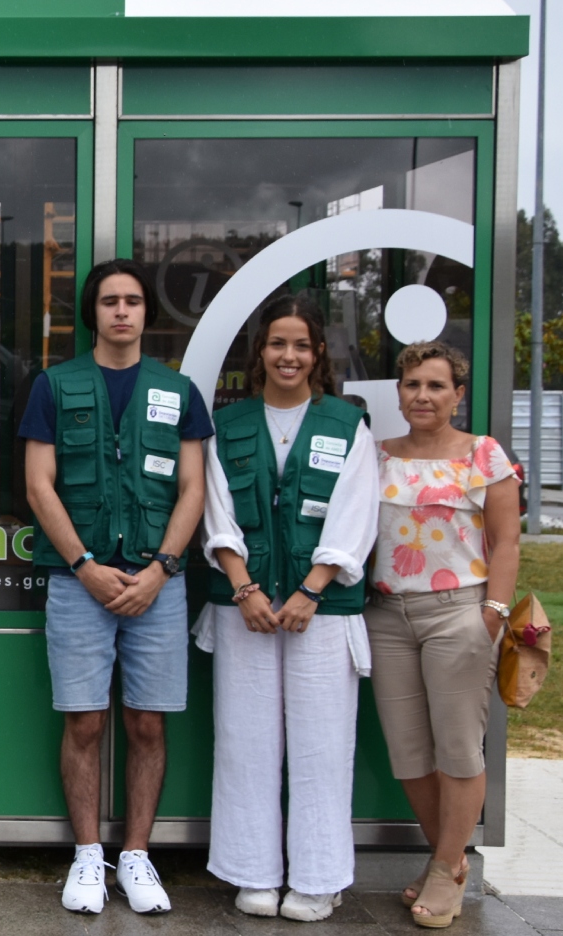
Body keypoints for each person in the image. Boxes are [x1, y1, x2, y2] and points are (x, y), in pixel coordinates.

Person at [21, 257, 212, 915]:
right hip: (80, 581)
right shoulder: (55, 385)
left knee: (147, 723)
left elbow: (194, 489)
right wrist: (84, 565)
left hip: (158, 583)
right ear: (93, 312)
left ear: (146, 312)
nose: (122, 311)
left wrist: (161, 569)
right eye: (110, 301)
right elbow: (38, 485)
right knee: (84, 721)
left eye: (132, 300)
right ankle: (86, 856)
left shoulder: (178, 391)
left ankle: (135, 856)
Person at [197, 295, 377, 922]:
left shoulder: (347, 425)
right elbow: (215, 510)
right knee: (244, 741)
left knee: (322, 745)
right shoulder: (229, 424)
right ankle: (252, 871)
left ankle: (318, 878)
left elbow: (357, 514)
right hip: (243, 606)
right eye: (278, 343)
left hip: (321, 612)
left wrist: (312, 589)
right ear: (261, 352)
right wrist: (245, 588)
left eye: (301, 344)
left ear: (318, 352)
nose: (289, 356)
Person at [366, 341, 519, 930]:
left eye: (435, 386)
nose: (422, 396)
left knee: (457, 748)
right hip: (388, 617)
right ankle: (447, 863)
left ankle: (445, 869)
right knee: (408, 752)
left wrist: (493, 614)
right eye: (412, 385)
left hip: (459, 615)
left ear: (458, 394)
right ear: (398, 393)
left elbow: (506, 542)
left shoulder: (483, 454)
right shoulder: (378, 455)